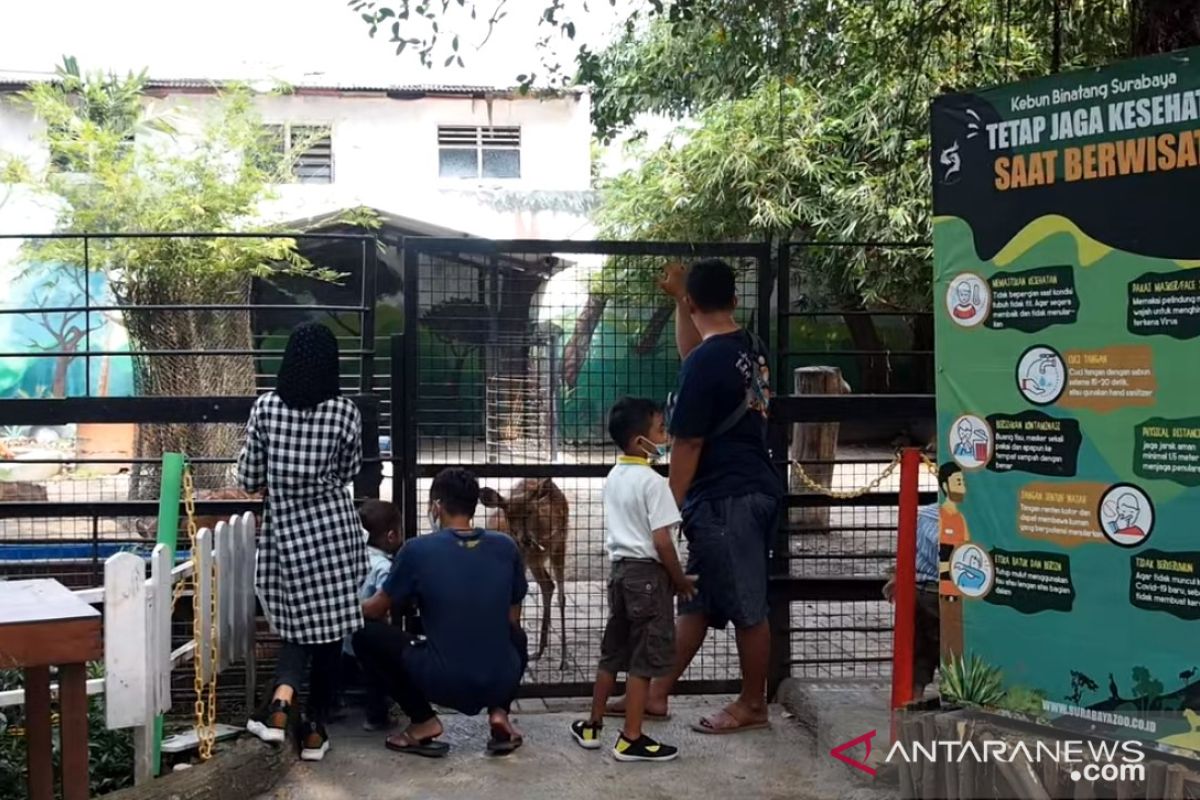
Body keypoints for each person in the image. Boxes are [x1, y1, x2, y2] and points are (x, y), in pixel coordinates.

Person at [609, 259, 782, 735]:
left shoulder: (710, 361)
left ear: (692, 302)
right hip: (750, 486)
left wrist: (666, 505)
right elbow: (695, 355)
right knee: (699, 600)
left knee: (747, 605)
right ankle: (658, 692)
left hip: (728, 497)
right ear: (733, 299)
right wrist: (680, 299)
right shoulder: (746, 347)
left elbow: (687, 442)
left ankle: (752, 704)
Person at [239, 322, 364, 762]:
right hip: (333, 531)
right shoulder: (345, 411)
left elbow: (249, 477)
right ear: (332, 364)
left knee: (295, 625)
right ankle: (314, 727)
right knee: (329, 629)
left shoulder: (266, 408)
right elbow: (349, 473)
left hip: (286, 534)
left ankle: (280, 706)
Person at [354, 468, 529, 757]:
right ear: (474, 505)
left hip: (443, 682)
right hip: (500, 676)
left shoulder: (416, 550)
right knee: (517, 636)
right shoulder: (506, 546)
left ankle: (423, 721)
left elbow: (375, 610)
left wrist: (340, 607)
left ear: (437, 506)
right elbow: (512, 621)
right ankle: (500, 713)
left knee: (364, 634)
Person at [570, 397, 694, 762]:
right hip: (649, 577)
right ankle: (631, 737)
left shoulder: (614, 477)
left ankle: (592, 726)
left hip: (620, 572)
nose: (666, 435)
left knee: (612, 652)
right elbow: (661, 541)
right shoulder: (653, 483)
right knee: (643, 660)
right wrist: (681, 579)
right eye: (660, 430)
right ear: (640, 441)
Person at [343, 500, 402, 732]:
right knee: (376, 674)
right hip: (367, 637)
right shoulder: (383, 567)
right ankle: (376, 717)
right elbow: (383, 603)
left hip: (340, 637)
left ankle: (331, 707)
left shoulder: (349, 559)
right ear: (391, 536)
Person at [883, 503, 941, 699]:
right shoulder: (944, 517)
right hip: (937, 591)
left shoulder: (926, 514)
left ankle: (913, 697)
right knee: (946, 650)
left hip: (918, 589)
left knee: (920, 651)